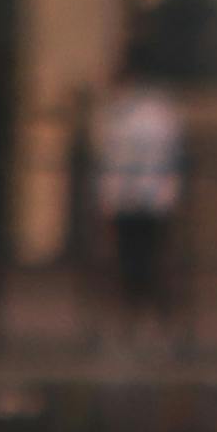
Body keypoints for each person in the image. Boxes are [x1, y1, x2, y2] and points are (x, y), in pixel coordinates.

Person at [90, 76, 186, 334]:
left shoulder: (126, 115)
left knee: (138, 257)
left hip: (136, 196)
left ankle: (141, 312)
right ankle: (145, 313)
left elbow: (113, 156)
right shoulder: (155, 113)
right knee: (142, 256)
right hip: (148, 196)